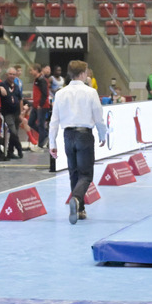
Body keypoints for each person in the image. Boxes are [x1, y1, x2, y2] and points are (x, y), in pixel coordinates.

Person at [49, 59, 106, 224]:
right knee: (86, 175)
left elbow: (54, 121)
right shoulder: (90, 92)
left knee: (73, 173)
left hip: (68, 136)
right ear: (82, 74)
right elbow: (98, 117)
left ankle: (80, 209)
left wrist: (52, 143)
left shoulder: (60, 93)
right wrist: (102, 135)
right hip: (84, 135)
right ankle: (76, 198)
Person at [0, 66, 23, 160]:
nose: (12, 76)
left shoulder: (16, 86)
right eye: (10, 74)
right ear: (7, 74)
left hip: (16, 113)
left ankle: (10, 152)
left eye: (14, 74)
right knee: (13, 132)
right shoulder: (3, 84)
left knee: (14, 134)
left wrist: (21, 113)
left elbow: (20, 99)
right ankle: (19, 149)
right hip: (7, 113)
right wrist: (0, 88)